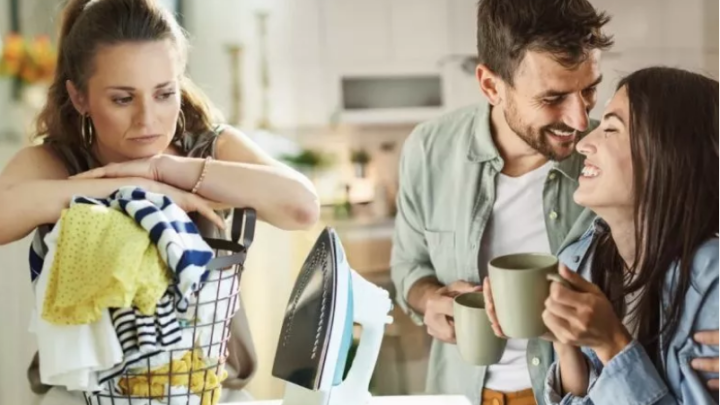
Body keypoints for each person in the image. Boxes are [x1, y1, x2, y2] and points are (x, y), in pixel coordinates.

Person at [389, 0, 718, 404]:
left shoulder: (623, 162)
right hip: (467, 389)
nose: (581, 124)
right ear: (492, 86)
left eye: (590, 90)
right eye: (553, 98)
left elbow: (701, 194)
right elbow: (408, 265)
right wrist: (427, 300)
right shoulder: (430, 149)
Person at [0, 0, 319, 403]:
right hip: (82, 396)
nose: (147, 119)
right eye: (122, 99)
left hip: (207, 390)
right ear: (80, 97)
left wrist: (164, 170)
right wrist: (129, 188)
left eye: (164, 93)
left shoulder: (209, 147)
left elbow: (302, 207)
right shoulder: (58, 160)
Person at [534, 66, 716, 404]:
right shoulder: (581, 259)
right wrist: (564, 341)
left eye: (610, 129)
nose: (584, 143)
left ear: (666, 154)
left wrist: (612, 344)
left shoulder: (711, 283)